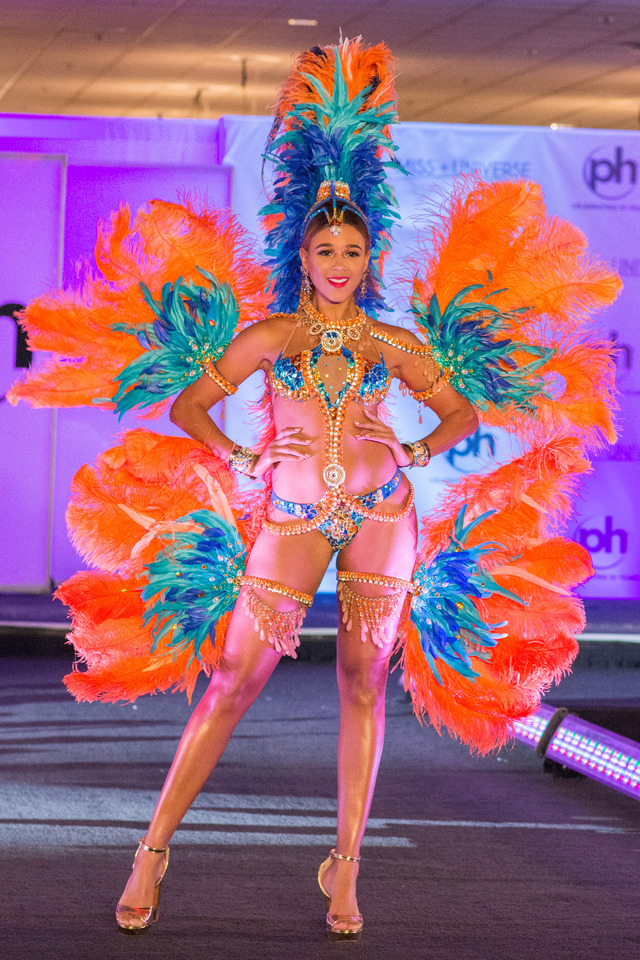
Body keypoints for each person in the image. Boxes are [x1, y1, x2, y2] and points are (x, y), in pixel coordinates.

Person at [115, 196, 478, 939]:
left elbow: (462, 416)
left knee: (363, 686)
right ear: (303, 261)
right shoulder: (275, 336)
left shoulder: (390, 342)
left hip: (382, 516)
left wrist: (413, 451)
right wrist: (247, 457)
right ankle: (150, 853)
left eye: (351, 251)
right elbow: (189, 406)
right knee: (231, 682)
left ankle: (344, 866)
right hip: (292, 521)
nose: (338, 265)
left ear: (369, 258)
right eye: (325, 252)